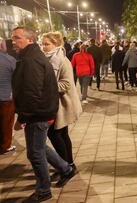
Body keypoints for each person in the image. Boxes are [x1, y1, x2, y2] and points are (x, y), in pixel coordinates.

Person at [11, 27, 76, 202]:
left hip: (38, 113)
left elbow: (32, 92)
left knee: (35, 153)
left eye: (17, 38)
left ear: (29, 40)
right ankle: (66, 169)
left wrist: (22, 118)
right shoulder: (32, 57)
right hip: (42, 110)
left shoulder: (33, 60)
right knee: (39, 148)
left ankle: (44, 190)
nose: (13, 41)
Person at [41, 32, 82, 182]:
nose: (43, 47)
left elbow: (66, 84)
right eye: (43, 44)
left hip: (62, 105)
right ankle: (67, 165)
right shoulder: (49, 59)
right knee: (61, 135)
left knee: (56, 135)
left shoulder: (62, 61)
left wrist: (45, 87)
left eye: (47, 44)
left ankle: (66, 168)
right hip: (56, 104)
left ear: (56, 45)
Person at [0, 37, 16, 154]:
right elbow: (17, 78)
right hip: (6, 97)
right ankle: (6, 145)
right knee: (7, 122)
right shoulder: (9, 60)